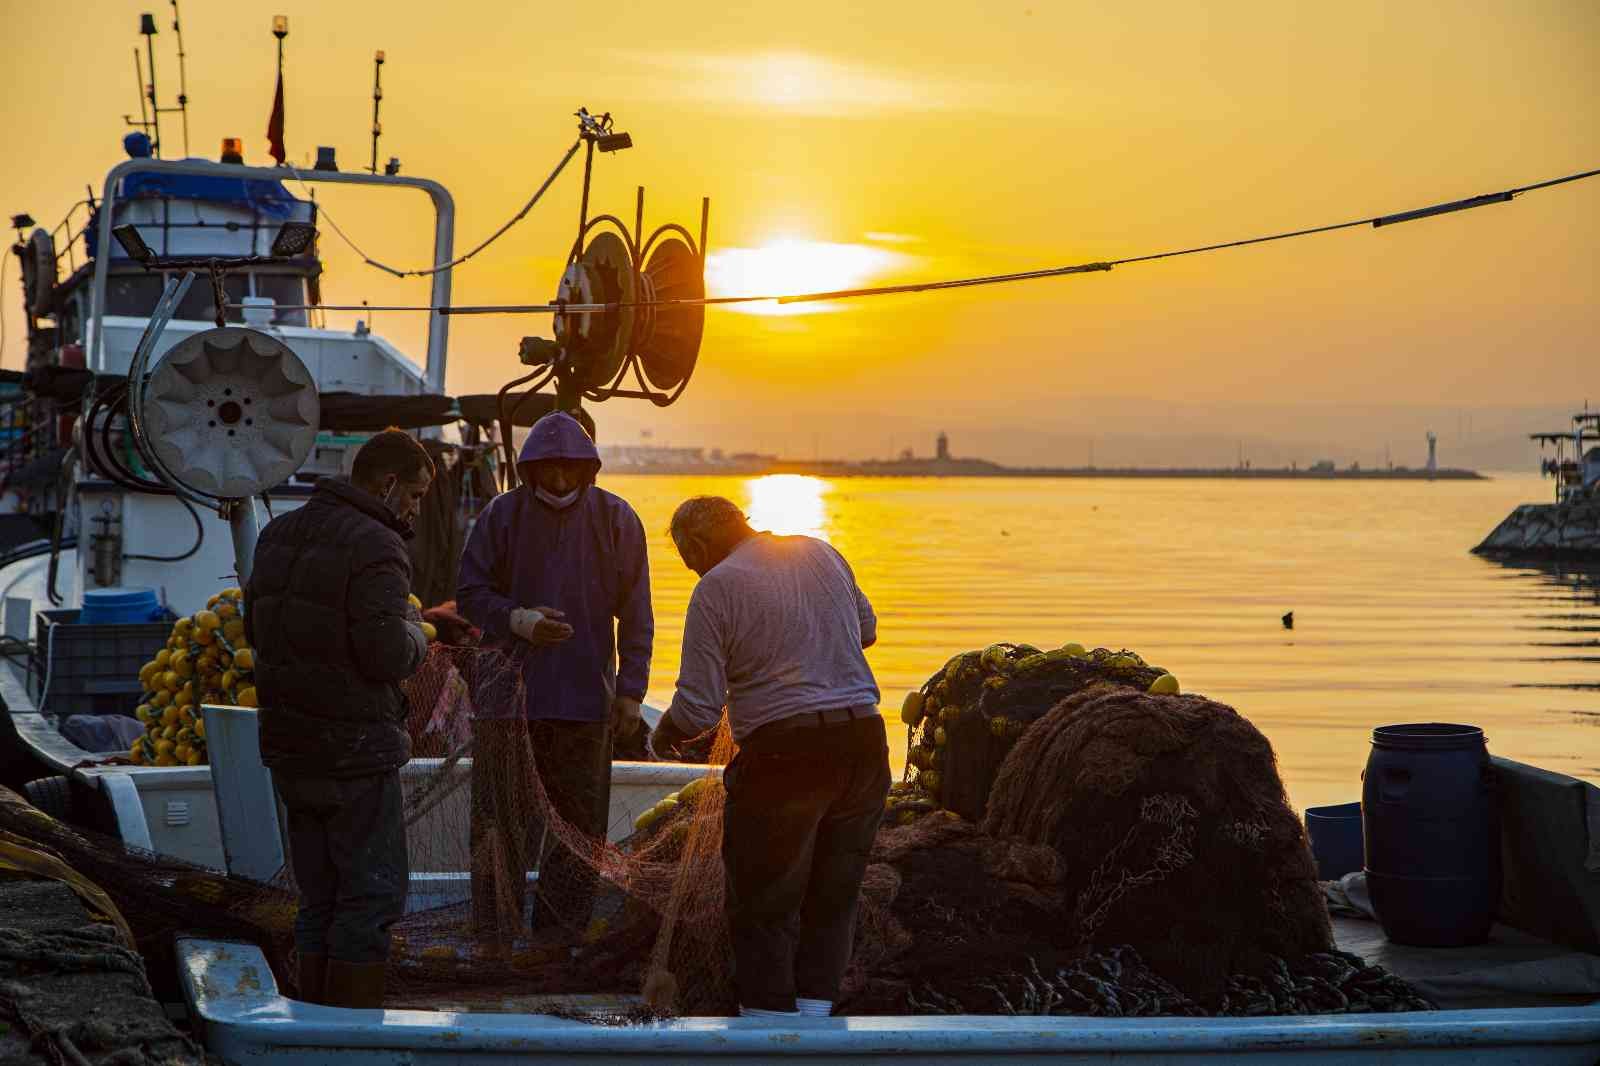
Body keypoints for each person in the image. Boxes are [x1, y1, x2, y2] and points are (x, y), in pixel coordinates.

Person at [650, 496, 888, 1019]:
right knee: (833, 898)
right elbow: (866, 629)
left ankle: (767, 1028)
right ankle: (814, 1020)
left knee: (764, 905)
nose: (692, 570)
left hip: (786, 756)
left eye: (688, 559)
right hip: (864, 745)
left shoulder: (716, 589)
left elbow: (697, 708)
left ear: (698, 544)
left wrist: (660, 735)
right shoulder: (822, 552)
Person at [245, 428, 435, 1009]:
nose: (417, 509)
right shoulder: (377, 543)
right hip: (354, 750)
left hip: (289, 747)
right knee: (370, 897)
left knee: (318, 897)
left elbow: (256, 631)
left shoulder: (277, 533)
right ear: (390, 483)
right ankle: (351, 1034)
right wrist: (417, 639)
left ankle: (311, 1026)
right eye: (418, 495)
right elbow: (383, 654)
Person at [457, 410, 653, 940]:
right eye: (549, 470)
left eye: (570, 470)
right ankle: (493, 937)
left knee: (578, 832)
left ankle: (557, 943)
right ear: (530, 470)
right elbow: (471, 595)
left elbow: (637, 613)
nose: (560, 481)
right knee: (499, 827)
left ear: (588, 468)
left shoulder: (617, 518)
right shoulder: (501, 515)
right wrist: (518, 621)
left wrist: (631, 693)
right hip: (507, 706)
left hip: (586, 704)